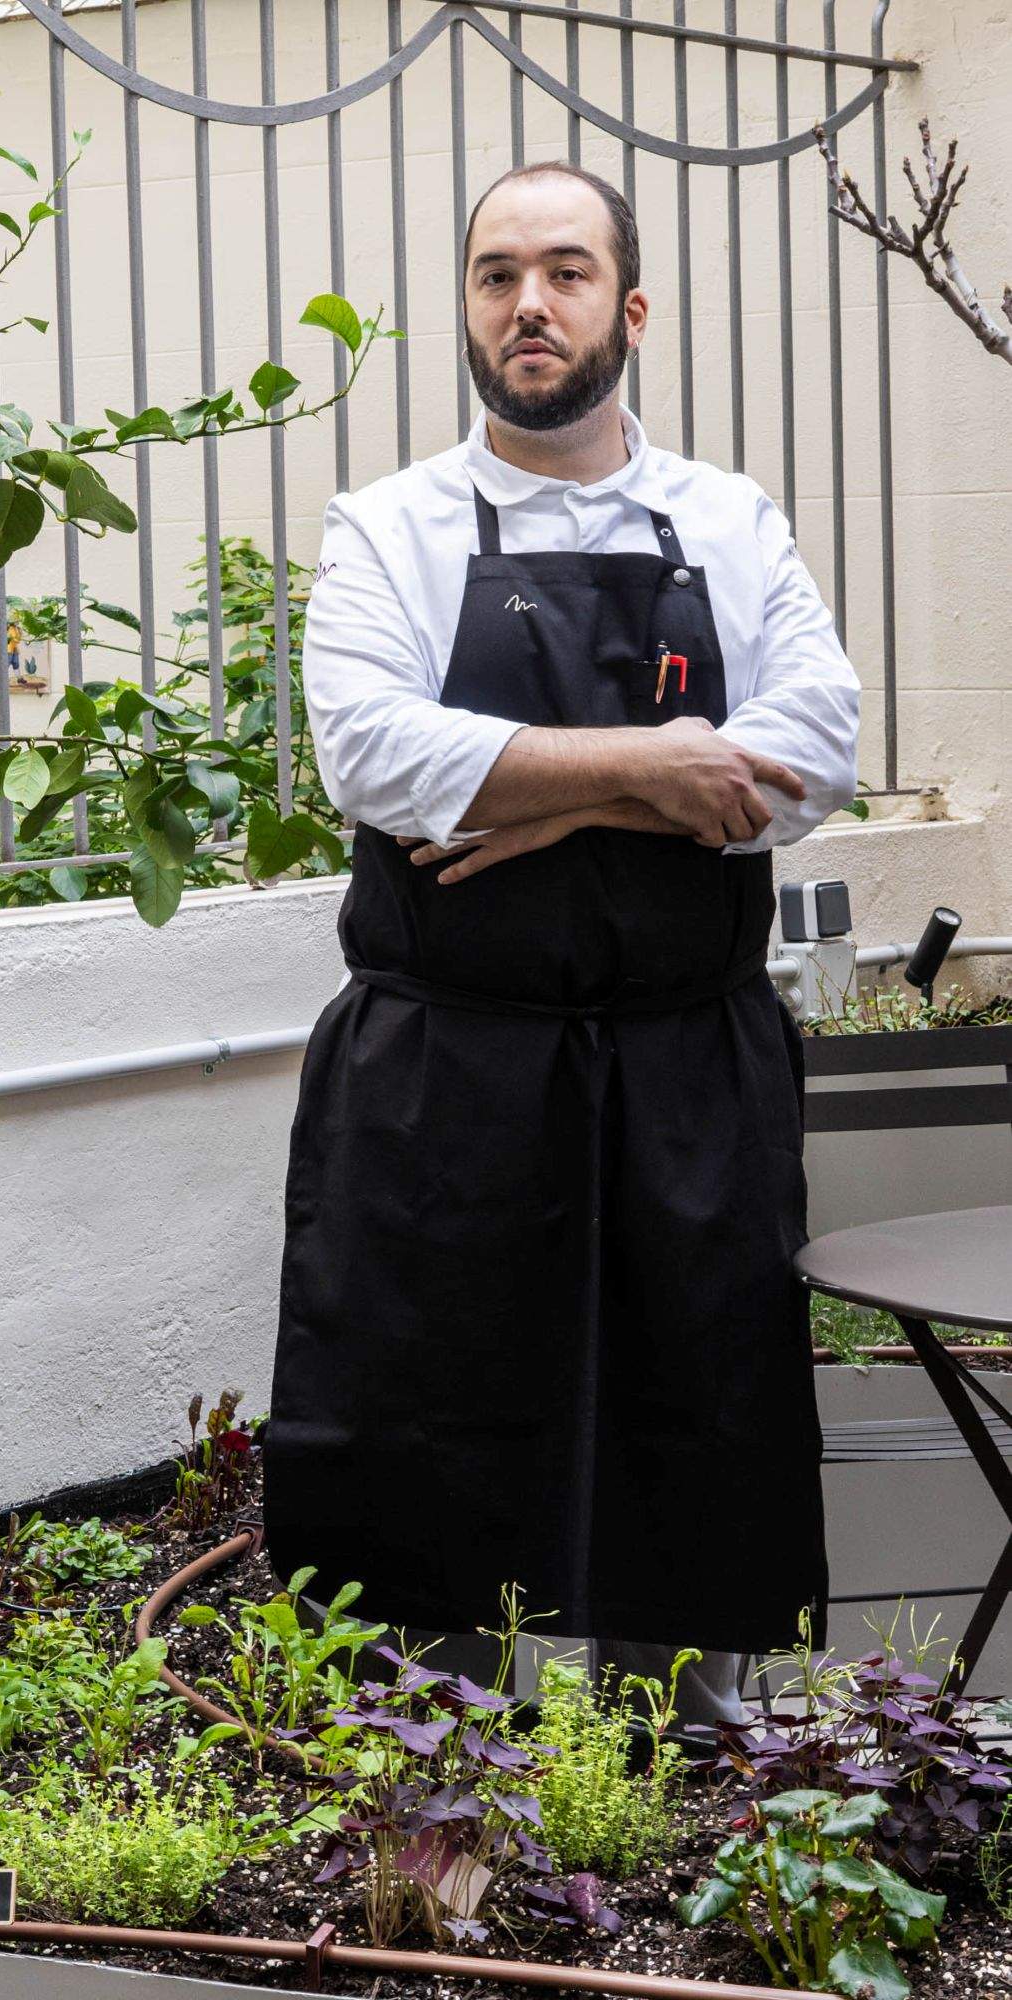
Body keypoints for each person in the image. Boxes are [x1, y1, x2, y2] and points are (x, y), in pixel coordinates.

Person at [261, 161, 860, 1730]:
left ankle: (680, 1766)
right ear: (467, 309)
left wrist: (537, 791)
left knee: (696, 1412)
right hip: (441, 1074)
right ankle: (430, 1779)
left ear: (627, 307)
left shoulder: (729, 521)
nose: (529, 304)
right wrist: (660, 770)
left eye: (567, 272)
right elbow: (372, 755)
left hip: (686, 1067)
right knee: (424, 1426)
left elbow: (820, 749)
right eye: (496, 275)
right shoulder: (384, 525)